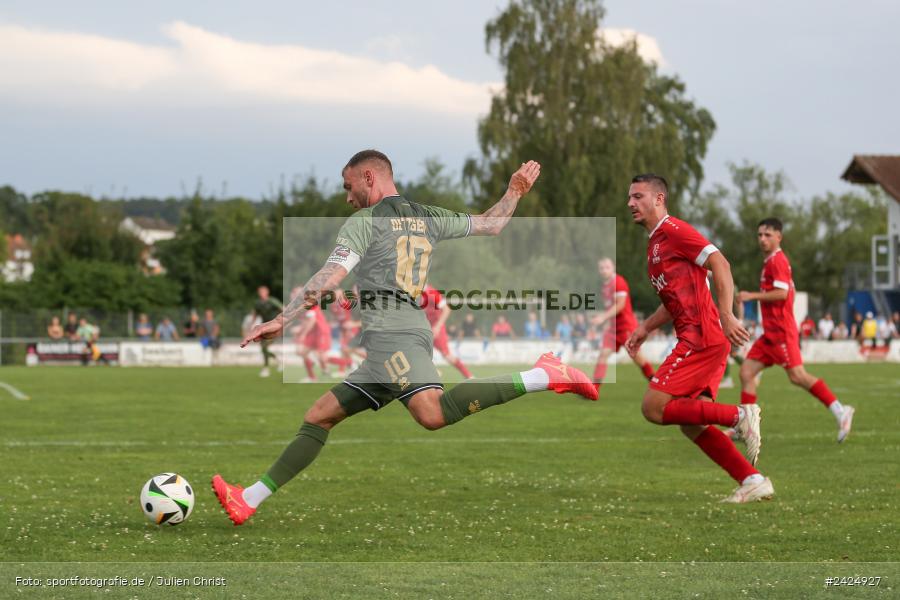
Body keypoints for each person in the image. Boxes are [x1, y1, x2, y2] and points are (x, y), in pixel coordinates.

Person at [212, 151, 598, 525]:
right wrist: (514, 191)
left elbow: (330, 275)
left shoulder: (366, 221)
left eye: (349, 186)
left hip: (391, 335)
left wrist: (284, 318)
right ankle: (248, 499)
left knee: (431, 413)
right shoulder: (427, 216)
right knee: (319, 416)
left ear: (369, 177)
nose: (348, 197)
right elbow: (490, 224)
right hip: (401, 332)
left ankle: (543, 375)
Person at [624, 173, 772, 503]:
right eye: (630, 198)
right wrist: (645, 327)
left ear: (659, 199)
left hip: (701, 337)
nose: (631, 203)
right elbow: (674, 301)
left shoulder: (673, 231)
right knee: (692, 422)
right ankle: (752, 480)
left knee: (653, 407)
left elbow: (720, 262)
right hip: (701, 336)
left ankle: (740, 416)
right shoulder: (654, 244)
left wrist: (726, 313)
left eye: (638, 196)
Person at [736, 218, 854, 443]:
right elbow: (789, 289)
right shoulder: (771, 262)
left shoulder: (777, 261)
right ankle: (746, 427)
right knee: (746, 373)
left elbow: (781, 293)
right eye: (759, 235)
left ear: (779, 237)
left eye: (767, 235)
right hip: (770, 333)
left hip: (781, 332)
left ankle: (841, 411)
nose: (762, 239)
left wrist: (751, 296)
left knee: (798, 376)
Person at [591, 257, 655, 396]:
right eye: (601, 268)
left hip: (626, 327)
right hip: (613, 329)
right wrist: (607, 322)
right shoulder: (605, 286)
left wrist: (603, 317)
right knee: (603, 355)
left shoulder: (618, 282)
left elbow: (620, 305)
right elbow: (612, 308)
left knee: (638, 359)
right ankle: (594, 390)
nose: (603, 270)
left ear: (613, 267)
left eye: (606, 267)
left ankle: (656, 385)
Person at [420, 284, 473, 379]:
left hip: (436, 329)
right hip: (425, 328)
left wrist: (437, 326)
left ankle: (469, 376)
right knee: (417, 350)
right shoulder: (414, 293)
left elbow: (447, 309)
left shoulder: (431, 293)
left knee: (447, 356)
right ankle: (433, 372)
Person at [289, 286, 332, 382]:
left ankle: (326, 368)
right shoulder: (299, 306)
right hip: (312, 331)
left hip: (321, 330)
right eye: (294, 293)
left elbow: (312, 320)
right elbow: (306, 321)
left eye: (297, 293)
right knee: (301, 352)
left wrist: (302, 333)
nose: (294, 295)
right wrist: (299, 331)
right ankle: (312, 377)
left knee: (320, 354)